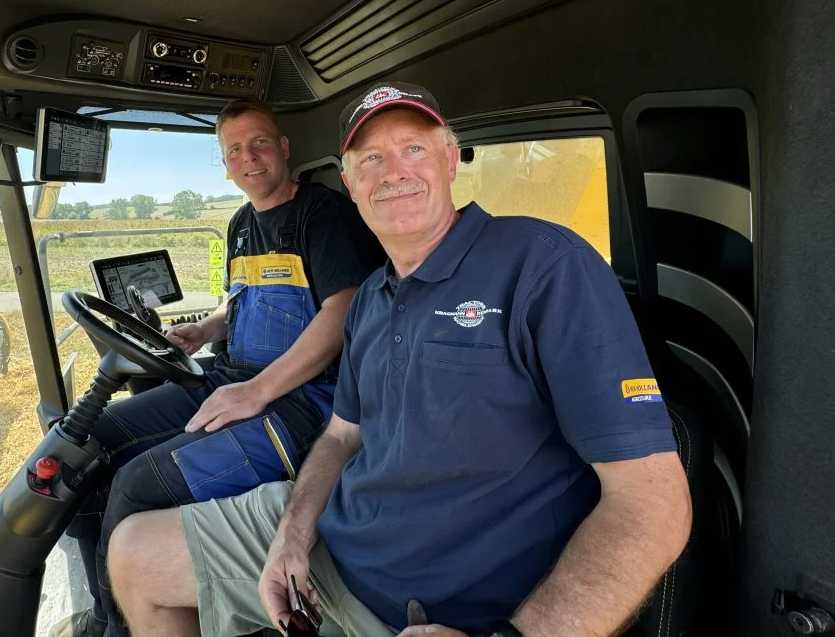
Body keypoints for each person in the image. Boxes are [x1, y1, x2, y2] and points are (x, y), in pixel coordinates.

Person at [105, 82, 694, 637]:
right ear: (350, 181)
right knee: (133, 554)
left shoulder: (543, 265)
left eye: (413, 147)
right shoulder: (369, 301)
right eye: (371, 160)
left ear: (450, 157)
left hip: (439, 607)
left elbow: (651, 501)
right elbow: (340, 437)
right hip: (335, 538)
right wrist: (293, 530)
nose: (395, 172)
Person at [65, 98, 386, 637]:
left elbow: (343, 310)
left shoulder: (321, 214)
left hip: (303, 402)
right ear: (224, 163)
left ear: (283, 148)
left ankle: (113, 626)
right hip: (229, 379)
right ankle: (109, 606)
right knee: (88, 444)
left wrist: (258, 391)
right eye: (234, 149)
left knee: (136, 484)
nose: (249, 157)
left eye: (260, 142)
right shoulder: (240, 223)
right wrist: (206, 330)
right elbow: (238, 300)